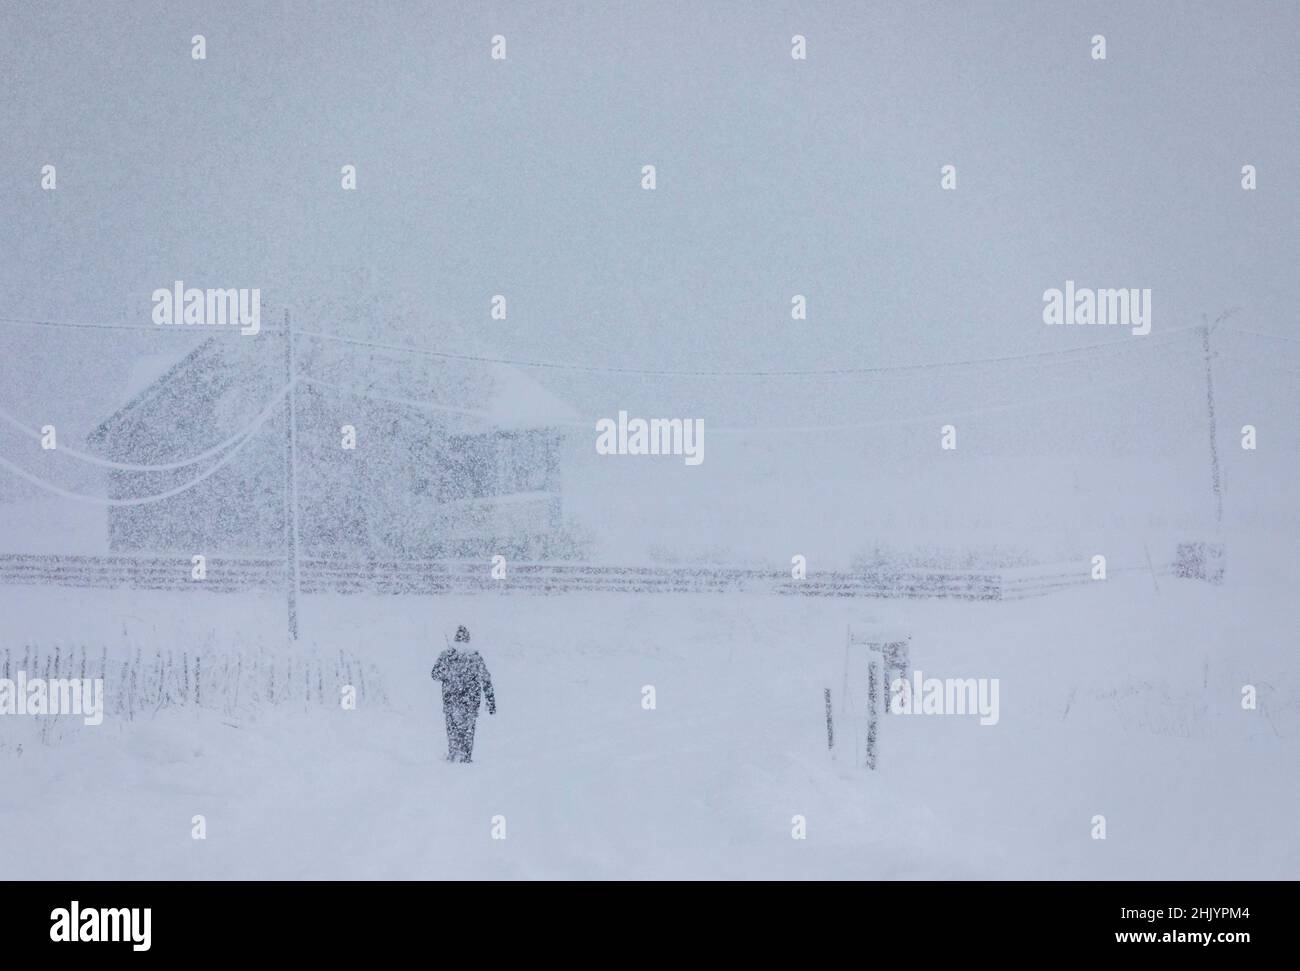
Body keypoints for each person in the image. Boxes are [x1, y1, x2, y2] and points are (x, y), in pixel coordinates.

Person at [431, 625, 496, 763]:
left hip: (451, 700)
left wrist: (448, 673)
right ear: (468, 640)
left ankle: (454, 756)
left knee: (453, 731)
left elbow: (435, 674)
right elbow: (486, 680)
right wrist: (491, 702)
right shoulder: (474, 656)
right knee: (468, 732)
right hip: (470, 703)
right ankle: (466, 759)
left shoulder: (447, 655)